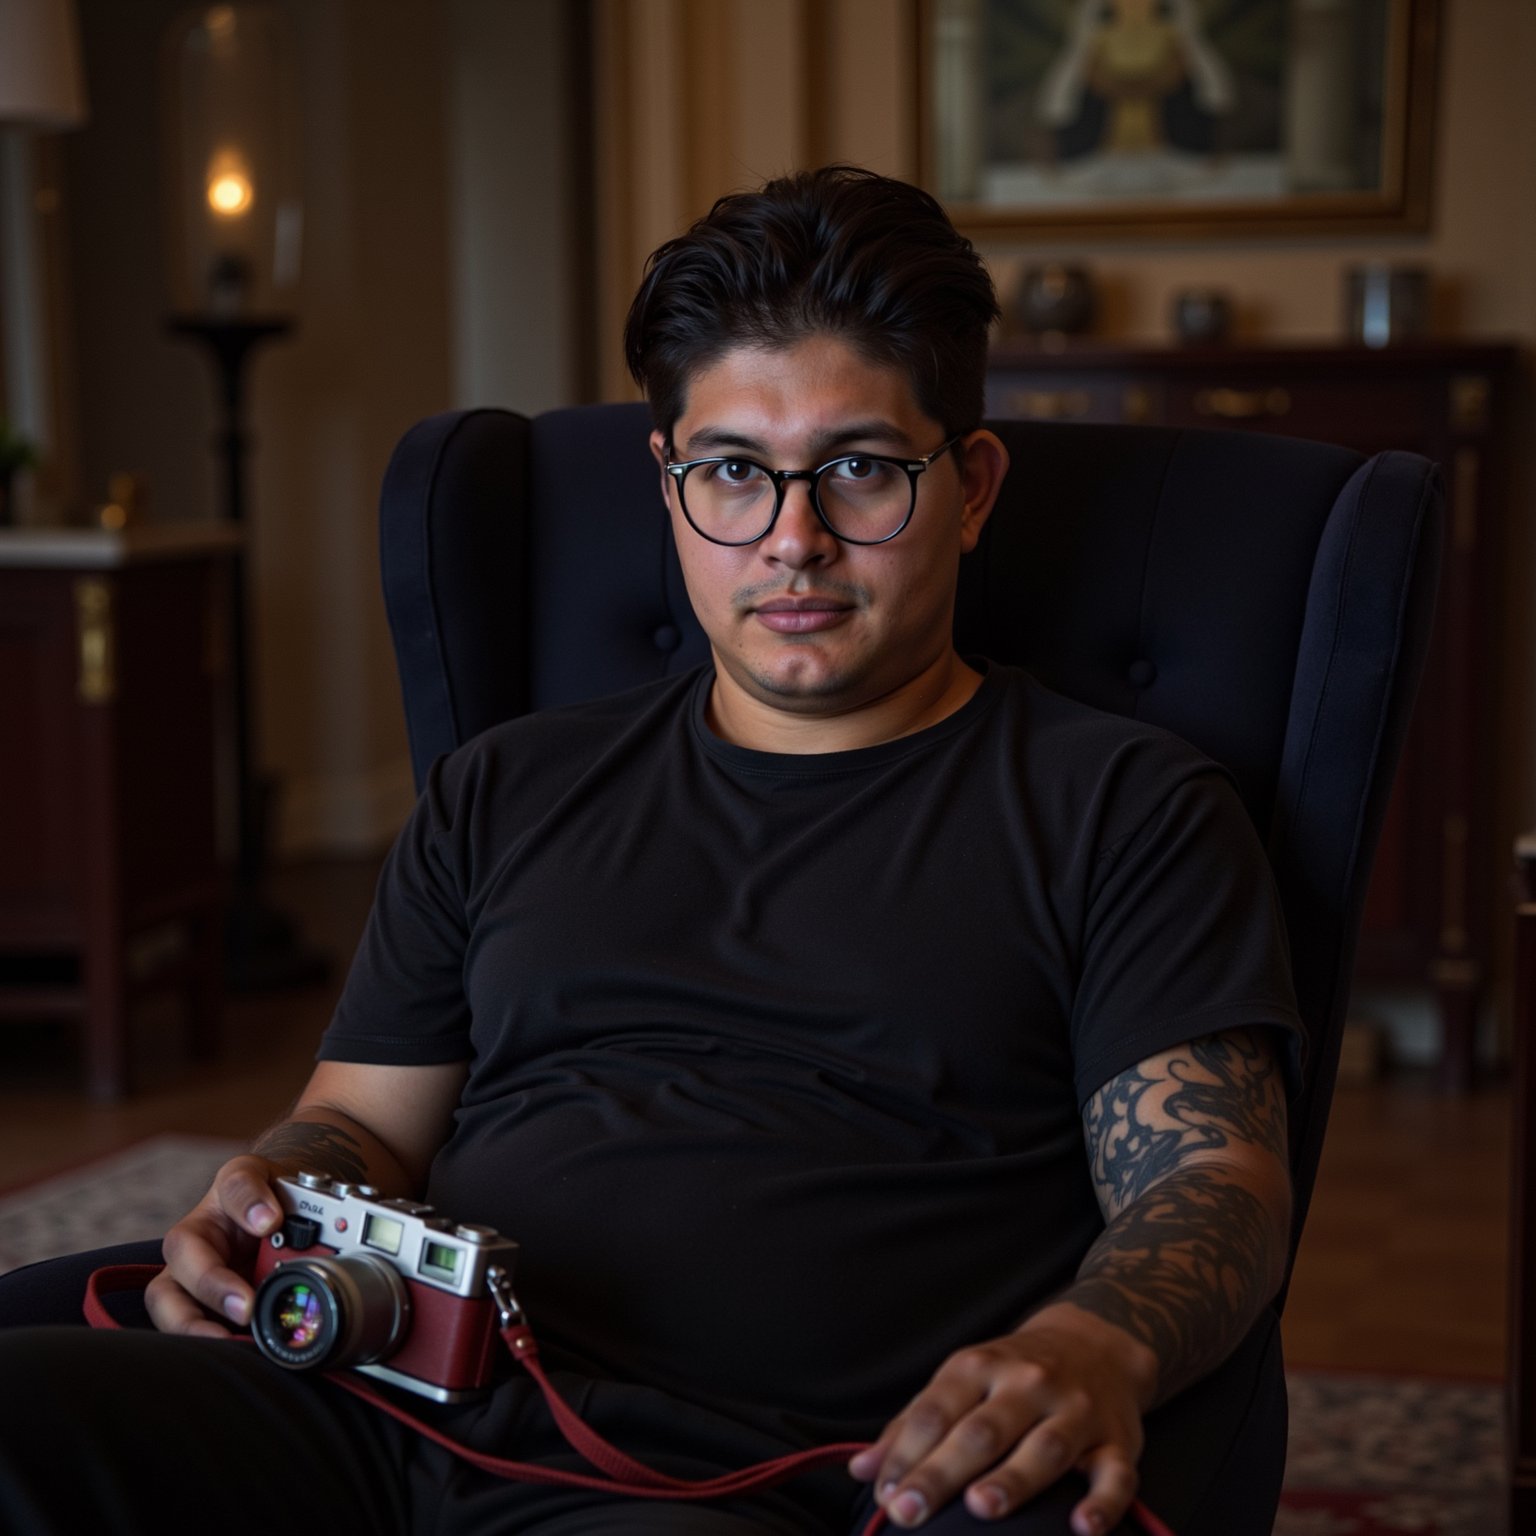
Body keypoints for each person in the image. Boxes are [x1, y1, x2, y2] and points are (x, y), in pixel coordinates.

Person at [0, 166, 1298, 1536]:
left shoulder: (1125, 809)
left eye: (861, 469)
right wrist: (262, 1191)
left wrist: (1095, 1344)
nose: (793, 540)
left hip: (740, 1475)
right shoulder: (505, 787)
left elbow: (1213, 1184)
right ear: (670, 486)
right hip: (371, 1391)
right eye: (735, 471)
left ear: (970, 488)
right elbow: (363, 1124)